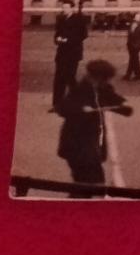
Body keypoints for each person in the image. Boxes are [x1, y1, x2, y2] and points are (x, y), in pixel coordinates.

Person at [56, 59, 133, 196]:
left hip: (91, 146)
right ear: (96, 77)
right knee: (91, 183)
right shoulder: (79, 90)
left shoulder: (103, 88)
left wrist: (123, 107)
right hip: (77, 146)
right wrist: (81, 109)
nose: (106, 83)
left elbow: (115, 100)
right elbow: (63, 108)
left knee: (85, 186)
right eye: (104, 79)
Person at [51, 0, 88, 111]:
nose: (64, 9)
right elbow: (57, 33)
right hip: (61, 53)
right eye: (63, 7)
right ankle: (57, 104)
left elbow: (84, 35)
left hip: (73, 54)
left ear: (72, 8)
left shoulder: (79, 19)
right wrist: (57, 39)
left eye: (66, 7)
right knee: (58, 79)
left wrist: (68, 40)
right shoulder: (61, 19)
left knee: (70, 78)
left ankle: (77, 102)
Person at [124, 13, 140, 81]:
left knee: (134, 59)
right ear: (134, 18)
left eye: (139, 17)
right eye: (137, 17)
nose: (138, 18)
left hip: (137, 45)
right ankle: (132, 75)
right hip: (130, 44)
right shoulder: (131, 24)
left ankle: (134, 75)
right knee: (133, 60)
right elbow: (129, 34)